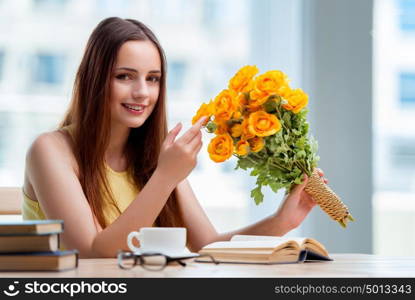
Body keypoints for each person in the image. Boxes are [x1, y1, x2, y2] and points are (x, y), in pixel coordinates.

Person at [22, 17, 327, 258]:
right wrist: (166, 176)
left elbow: (206, 245)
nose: (142, 92)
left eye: (152, 79)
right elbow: (92, 253)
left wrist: (282, 221)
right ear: (94, 79)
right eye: (124, 76)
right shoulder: (50, 151)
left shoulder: (157, 156)